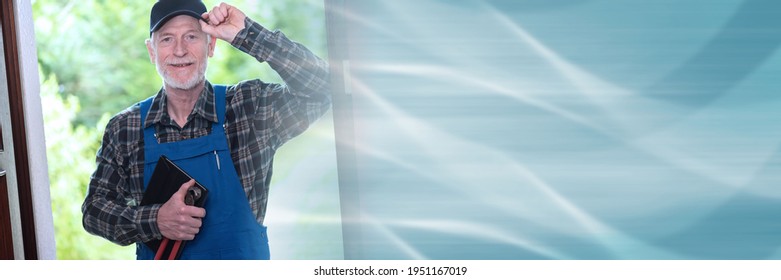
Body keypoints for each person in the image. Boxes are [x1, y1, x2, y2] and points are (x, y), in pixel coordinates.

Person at [81, 0, 331, 260]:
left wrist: (247, 34)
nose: (179, 50)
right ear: (152, 51)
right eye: (167, 39)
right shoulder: (126, 128)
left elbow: (322, 86)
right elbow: (94, 212)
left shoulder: (249, 109)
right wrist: (154, 220)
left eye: (191, 36)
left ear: (211, 44)